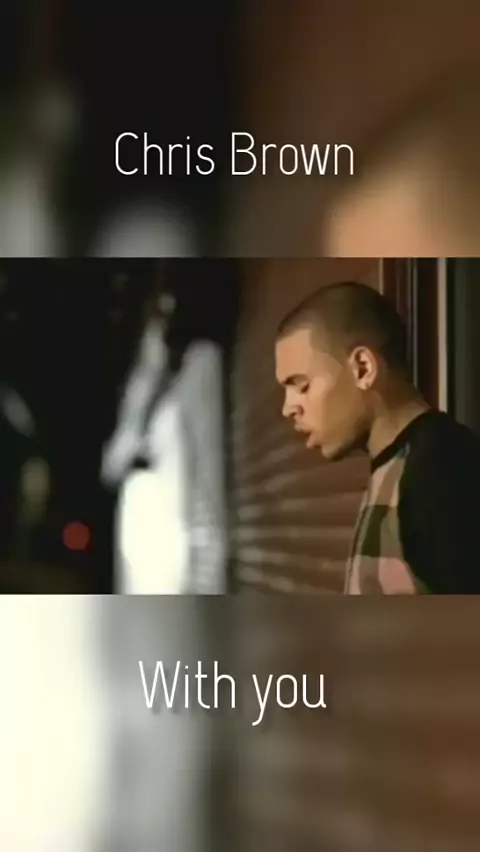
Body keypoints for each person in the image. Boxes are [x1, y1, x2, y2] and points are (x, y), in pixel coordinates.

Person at [275, 281, 480, 595]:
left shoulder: (440, 470)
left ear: (363, 368)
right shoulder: (398, 466)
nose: (288, 408)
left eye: (301, 385)